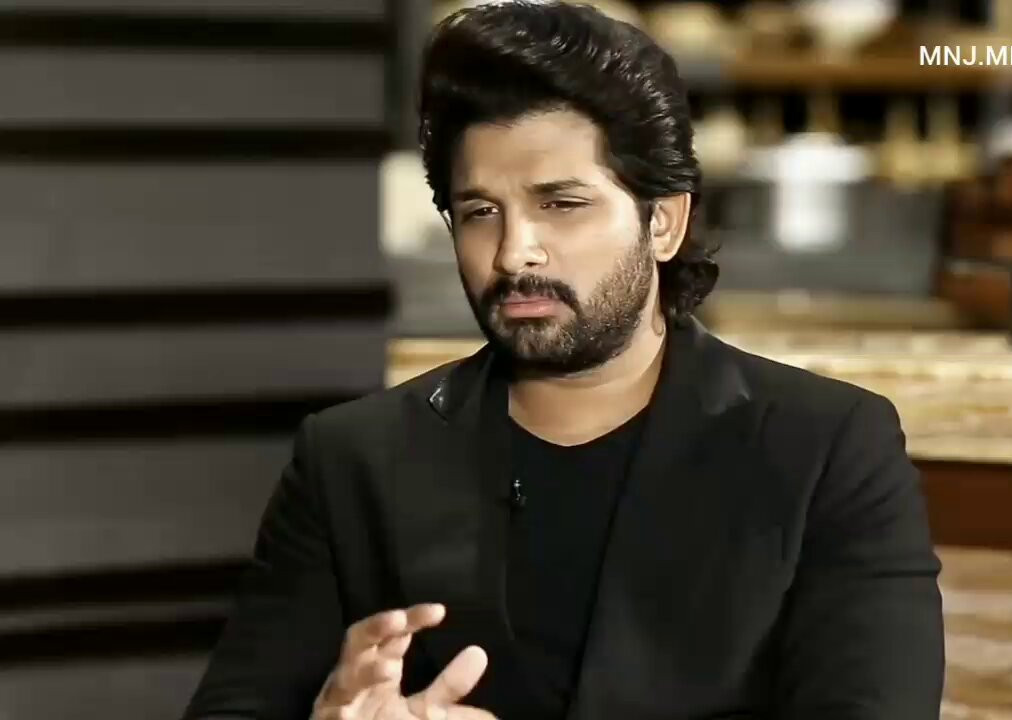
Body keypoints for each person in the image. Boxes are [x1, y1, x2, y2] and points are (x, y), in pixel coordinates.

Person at [182, 2, 945, 719]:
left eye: (562, 204)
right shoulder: (353, 460)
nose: (514, 252)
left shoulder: (823, 449)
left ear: (663, 222)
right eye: (480, 212)